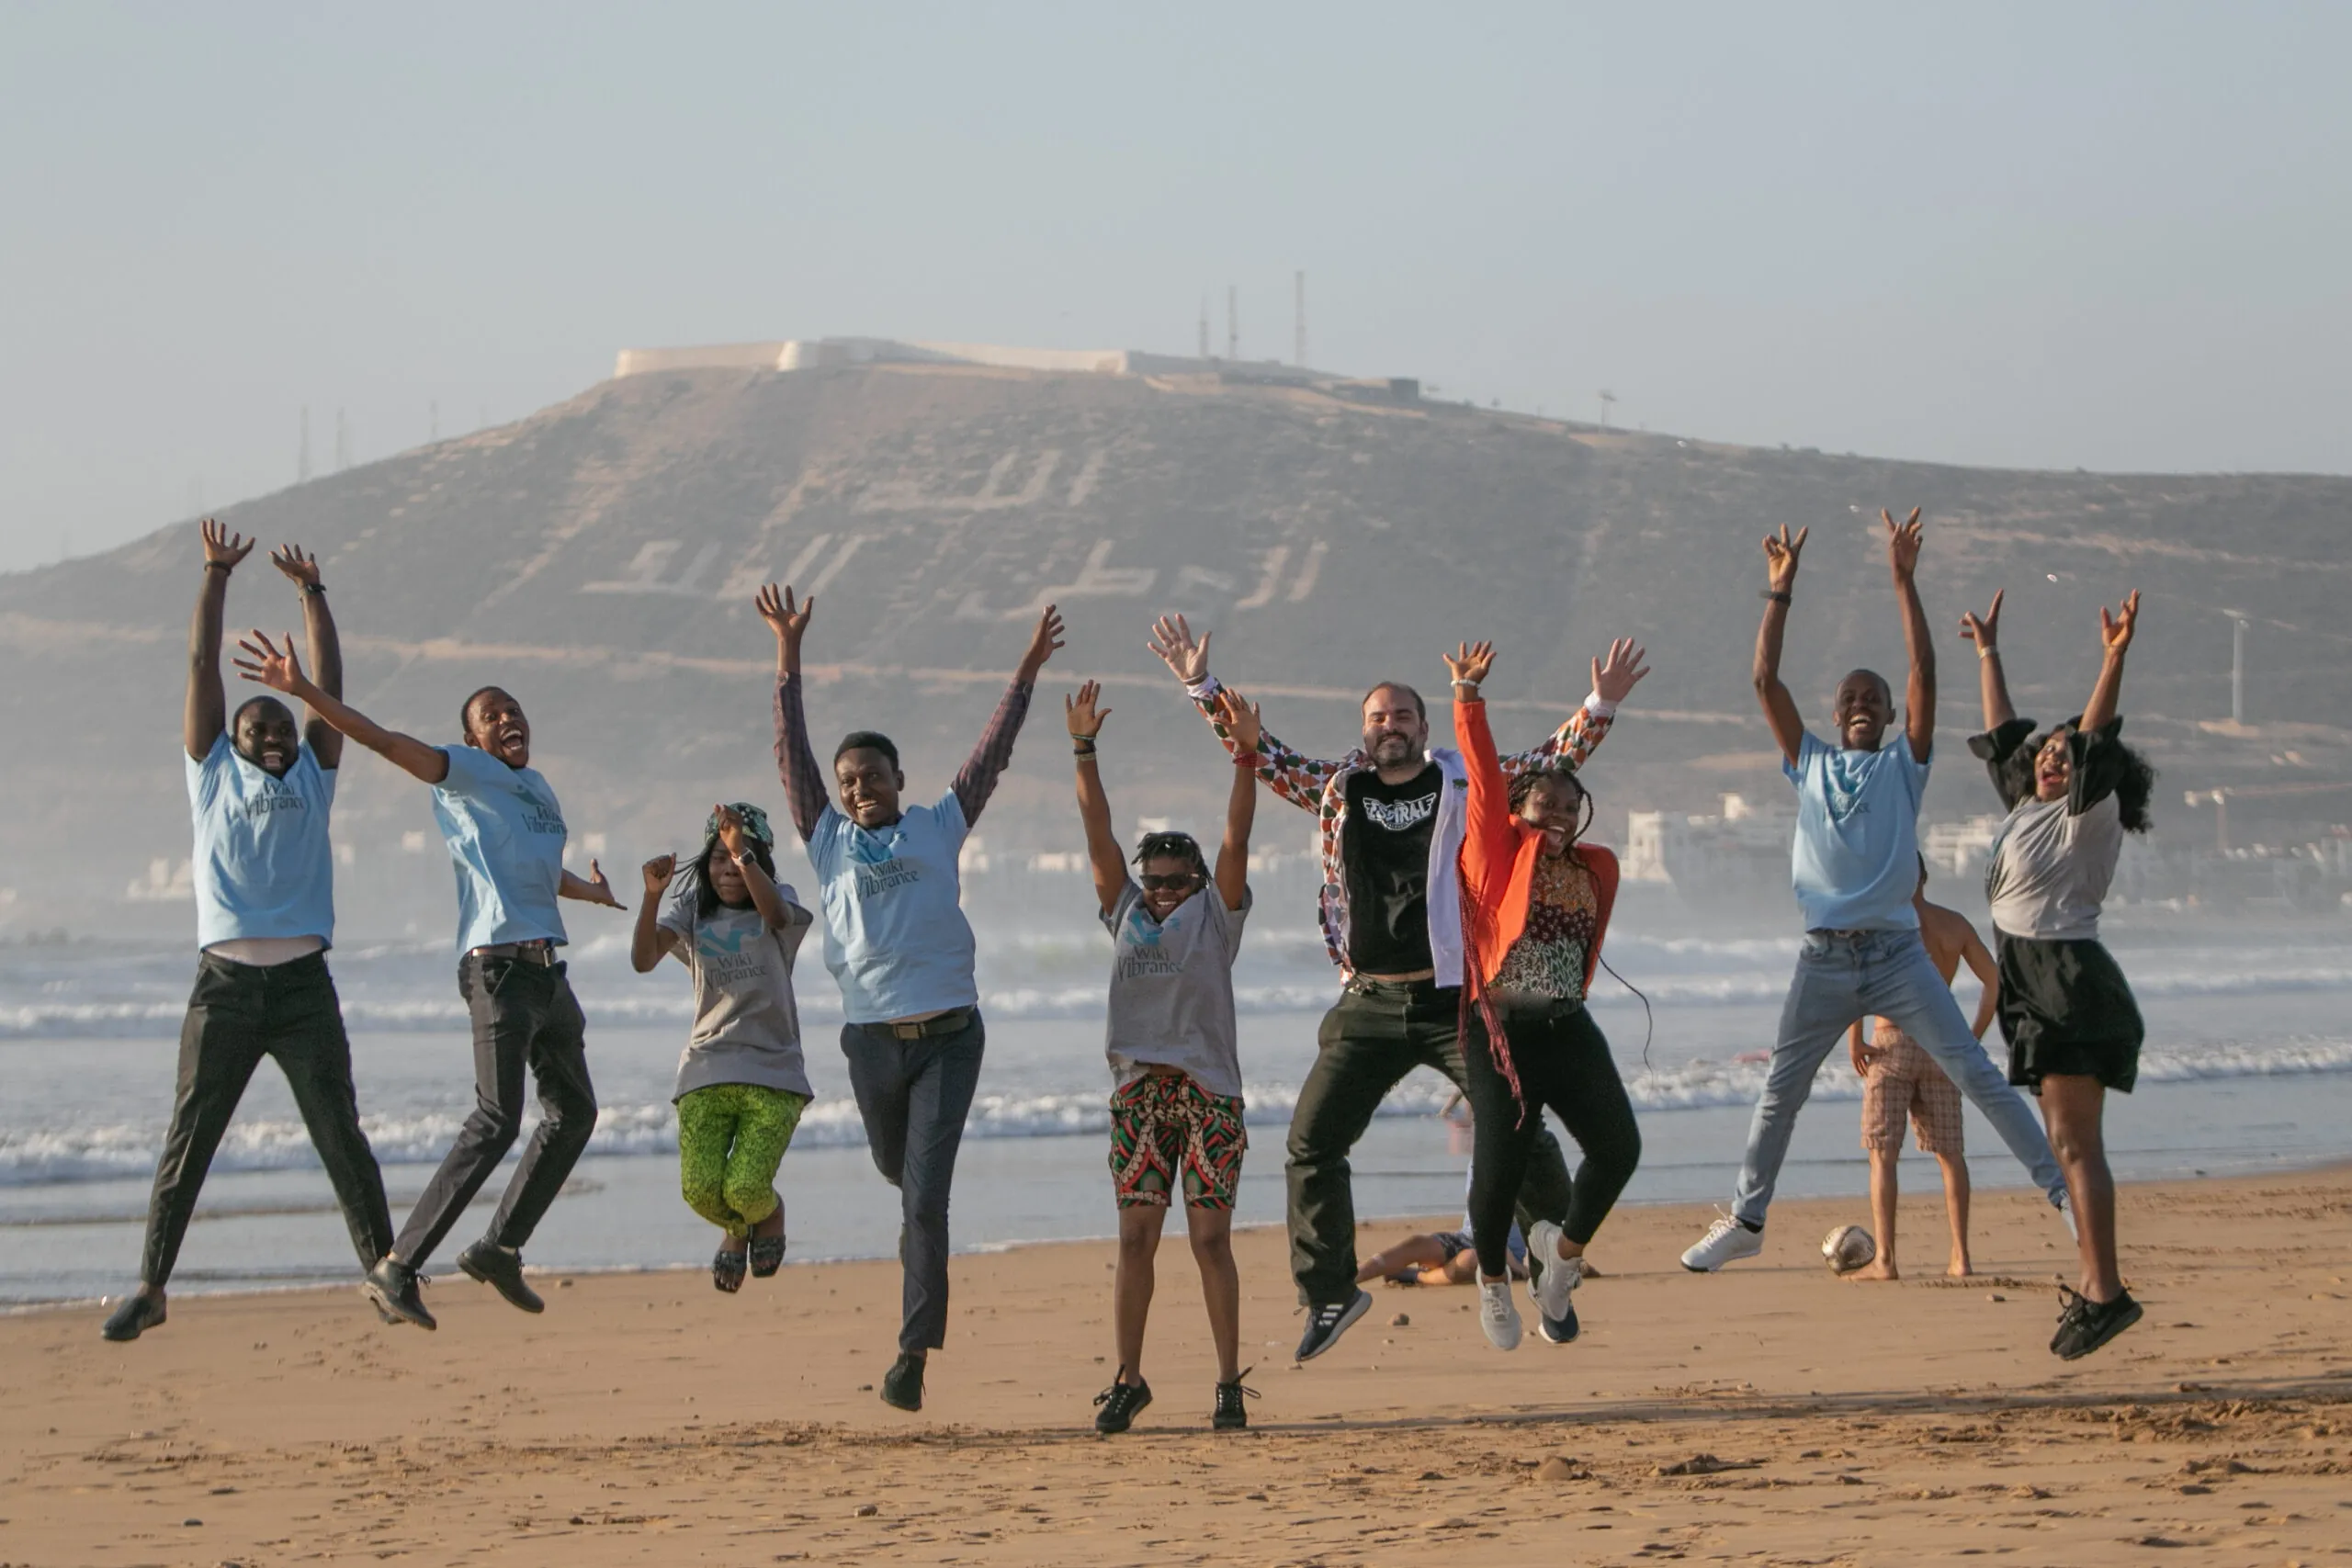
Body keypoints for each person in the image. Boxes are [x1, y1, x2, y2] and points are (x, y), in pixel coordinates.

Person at [1149, 615, 1646, 1359]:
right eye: (1378, 716)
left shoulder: (1461, 780)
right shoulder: (1337, 788)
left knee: (1523, 1135)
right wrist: (1201, 685)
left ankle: (1554, 1261)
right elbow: (1260, 752)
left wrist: (1598, 704)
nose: (1391, 726)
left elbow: (1550, 765)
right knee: (1311, 1143)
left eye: (1404, 715)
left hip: (1456, 999)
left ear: (1421, 726)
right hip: (1369, 1000)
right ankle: (1329, 1292)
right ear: (1364, 729)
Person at [1680, 510, 2068, 1272]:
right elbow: (1764, 679)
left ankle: (2063, 1194)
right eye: (1851, 697)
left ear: (1892, 716)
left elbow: (1925, 670)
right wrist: (1779, 592)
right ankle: (1749, 1217)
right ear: (1833, 715)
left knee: (1978, 1075)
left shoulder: (1904, 765)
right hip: (1823, 957)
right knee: (1778, 1094)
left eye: (1876, 699)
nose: (1863, 704)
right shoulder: (1809, 762)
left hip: (1897, 956)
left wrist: (1903, 579)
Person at [235, 641, 627, 1329]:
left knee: (575, 1113)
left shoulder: (539, 789)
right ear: (472, 735)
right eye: (491, 713)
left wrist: (589, 892)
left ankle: (500, 1247)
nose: (508, 717)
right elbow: (383, 740)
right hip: (499, 971)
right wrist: (304, 691)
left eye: (514, 708)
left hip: (546, 973)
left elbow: (537, 873)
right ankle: (396, 1265)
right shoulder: (464, 772)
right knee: (496, 1119)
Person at [762, 582, 1062, 1413]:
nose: (860, 787)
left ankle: (911, 1355)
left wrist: (1026, 668)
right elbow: (792, 751)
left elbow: (990, 755)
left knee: (925, 1198)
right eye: (849, 779)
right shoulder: (826, 839)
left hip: (951, 1038)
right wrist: (788, 654)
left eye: (873, 775)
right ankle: (917, 1238)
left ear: (900, 778)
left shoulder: (939, 821)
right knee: (899, 1171)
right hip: (872, 1044)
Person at [103, 521, 396, 1342]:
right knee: (189, 1139)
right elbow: (201, 666)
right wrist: (214, 576)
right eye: (255, 727)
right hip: (226, 988)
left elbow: (329, 687)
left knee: (341, 1132)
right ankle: (153, 1286)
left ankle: (386, 1270)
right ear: (226, 744)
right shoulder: (209, 775)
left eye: (279, 726)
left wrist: (312, 595)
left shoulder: (315, 769)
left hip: (304, 987)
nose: (271, 735)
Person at [1961, 586, 2152, 1359]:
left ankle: (2105, 1291)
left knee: (2076, 1147)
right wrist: (1989, 653)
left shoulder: (2085, 813)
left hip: (2068, 981)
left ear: (2088, 774)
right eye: (2046, 750)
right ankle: (2096, 1283)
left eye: (2063, 753)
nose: (2048, 754)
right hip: (2033, 982)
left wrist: (2113, 657)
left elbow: (2096, 735)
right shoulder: (2028, 810)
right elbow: (2006, 734)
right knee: (2066, 1145)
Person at [1067, 678, 1260, 1434]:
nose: (1164, 894)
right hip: (1141, 1093)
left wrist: (1245, 757)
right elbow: (1097, 833)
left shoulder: (1217, 915)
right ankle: (1128, 1378)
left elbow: (1237, 839)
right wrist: (1084, 748)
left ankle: (1227, 1383)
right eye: (1156, 883)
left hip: (1208, 1092)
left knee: (1210, 1239)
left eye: (1178, 883)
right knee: (1135, 1237)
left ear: (1200, 885)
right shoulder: (1125, 911)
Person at [1448, 639, 1643, 1350]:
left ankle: (1558, 1263)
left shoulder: (1593, 868)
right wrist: (1469, 700)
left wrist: (1607, 706)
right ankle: (1495, 1281)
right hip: (1500, 1030)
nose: (1557, 815)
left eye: (1569, 805)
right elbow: (1482, 778)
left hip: (1566, 1026)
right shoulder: (1493, 851)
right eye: (1544, 804)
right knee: (1499, 1167)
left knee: (1619, 1148)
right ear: (1520, 808)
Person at [632, 803, 815, 1295]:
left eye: (740, 856)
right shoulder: (691, 913)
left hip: (774, 1073)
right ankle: (738, 1228)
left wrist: (742, 855)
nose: (729, 868)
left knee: (745, 1187)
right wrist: (653, 895)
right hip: (705, 1070)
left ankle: (766, 1214)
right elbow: (644, 958)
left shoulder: (781, 904)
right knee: (699, 1189)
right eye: (719, 857)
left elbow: (774, 912)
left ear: (759, 861)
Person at [1844, 855, 1997, 1281]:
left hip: (1891, 1043)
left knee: (1883, 1156)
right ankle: (1961, 1258)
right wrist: (1971, 1037)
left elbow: (1854, 982)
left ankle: (1887, 1260)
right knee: (1951, 1156)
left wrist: (1854, 1036)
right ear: (1925, 877)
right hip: (1940, 1043)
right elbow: (1993, 981)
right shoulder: (1954, 924)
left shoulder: (1882, 925)